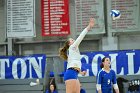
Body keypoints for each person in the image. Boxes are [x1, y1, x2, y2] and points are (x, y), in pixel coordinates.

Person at [59, 18, 95, 93]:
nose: (74, 40)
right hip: (70, 74)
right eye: (72, 40)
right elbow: (80, 37)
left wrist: (81, 72)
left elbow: (72, 65)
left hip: (74, 74)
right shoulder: (72, 47)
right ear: (69, 44)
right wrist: (89, 27)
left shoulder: (72, 53)